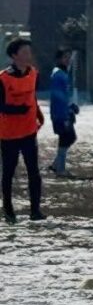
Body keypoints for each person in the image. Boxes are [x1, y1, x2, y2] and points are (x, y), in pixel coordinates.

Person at [0, 38, 45, 223]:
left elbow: (33, 97)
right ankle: (9, 211)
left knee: (34, 171)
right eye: (24, 52)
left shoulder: (33, 73)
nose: (28, 55)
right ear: (14, 55)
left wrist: (39, 115)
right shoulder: (3, 78)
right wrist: (18, 110)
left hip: (28, 131)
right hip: (8, 134)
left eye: (29, 51)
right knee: (9, 172)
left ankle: (35, 211)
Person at [47, 49, 79, 176]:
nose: (68, 59)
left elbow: (65, 94)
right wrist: (67, 110)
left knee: (69, 137)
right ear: (59, 59)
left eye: (69, 57)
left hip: (64, 111)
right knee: (66, 137)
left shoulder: (63, 73)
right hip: (60, 113)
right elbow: (58, 96)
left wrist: (71, 106)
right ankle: (60, 169)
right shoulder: (58, 74)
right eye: (65, 57)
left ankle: (57, 165)